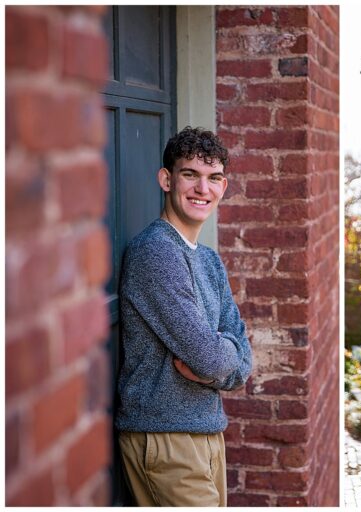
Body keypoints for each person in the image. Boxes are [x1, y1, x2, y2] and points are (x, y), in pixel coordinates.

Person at [115, 127, 252, 506]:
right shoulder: (156, 253)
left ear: (223, 187)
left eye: (213, 179)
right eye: (190, 174)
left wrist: (221, 360)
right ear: (167, 179)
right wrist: (222, 358)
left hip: (207, 433)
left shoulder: (208, 260)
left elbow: (241, 360)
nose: (201, 189)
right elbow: (214, 356)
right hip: (165, 439)